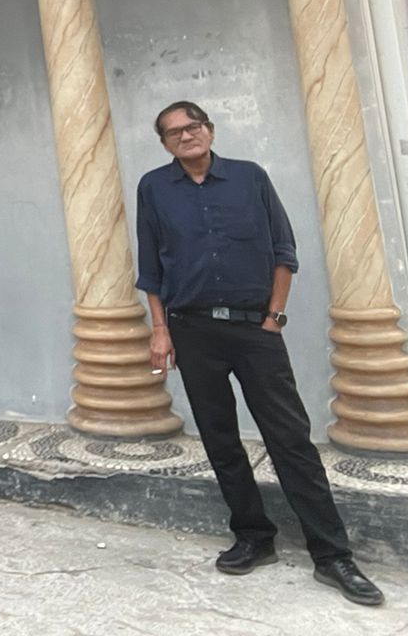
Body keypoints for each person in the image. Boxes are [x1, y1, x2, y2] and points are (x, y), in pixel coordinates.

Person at [136, 100, 383, 607]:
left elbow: (283, 251)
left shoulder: (250, 178)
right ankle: (253, 535)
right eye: (173, 132)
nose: (186, 136)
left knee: (290, 439)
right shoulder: (154, 188)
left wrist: (274, 318)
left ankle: (332, 554)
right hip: (191, 331)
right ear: (164, 143)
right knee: (220, 439)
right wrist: (160, 330)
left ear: (209, 129)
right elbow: (152, 268)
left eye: (193, 126)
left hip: (255, 329)